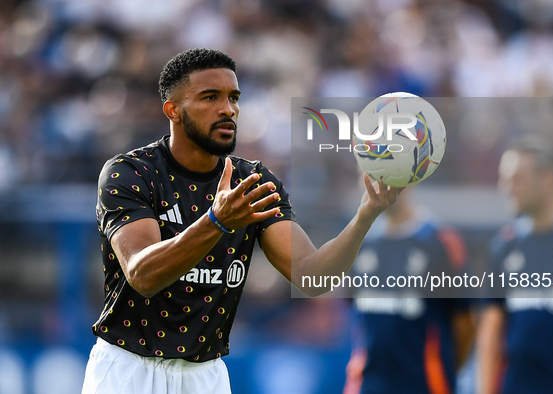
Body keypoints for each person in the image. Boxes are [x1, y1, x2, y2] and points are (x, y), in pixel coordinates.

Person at [81, 48, 401, 394]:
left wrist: (365, 215)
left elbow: (311, 276)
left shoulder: (253, 183)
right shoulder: (130, 173)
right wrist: (216, 221)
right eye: (210, 97)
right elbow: (143, 274)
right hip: (128, 371)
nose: (228, 109)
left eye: (234, 97)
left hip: (206, 376)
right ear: (173, 110)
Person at [478, 137, 553, 394]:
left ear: (548, 180)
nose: (506, 188)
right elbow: (490, 333)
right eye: (503, 179)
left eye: (517, 179)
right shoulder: (504, 245)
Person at [342, 188, 474, 394]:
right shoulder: (359, 241)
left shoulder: (441, 242)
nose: (376, 185)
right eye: (367, 174)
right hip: (367, 386)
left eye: (385, 173)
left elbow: (465, 324)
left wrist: (444, 372)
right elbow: (358, 321)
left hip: (424, 386)